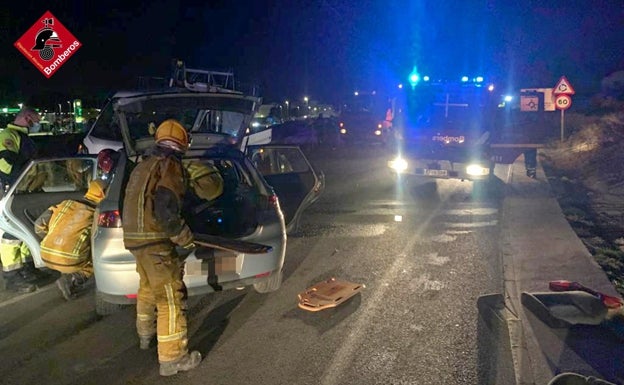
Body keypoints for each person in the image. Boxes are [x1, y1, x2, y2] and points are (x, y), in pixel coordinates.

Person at [122, 119, 201, 376]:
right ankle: (173, 358)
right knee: (170, 299)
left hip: (135, 240)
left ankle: (145, 336)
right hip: (155, 241)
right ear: (182, 143)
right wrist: (182, 236)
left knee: (147, 288)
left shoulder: (143, 166)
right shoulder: (170, 165)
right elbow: (166, 206)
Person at [34, 179, 107, 300]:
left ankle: (63, 271)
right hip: (71, 261)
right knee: (98, 256)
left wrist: (53, 240)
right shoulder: (97, 213)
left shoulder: (65, 204)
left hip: (45, 254)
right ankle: (73, 279)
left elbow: (38, 225)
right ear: (104, 193)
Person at [0, 107, 46, 293]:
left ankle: (27, 267)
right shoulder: (8, 135)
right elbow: (5, 165)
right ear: (27, 118)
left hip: (25, 191)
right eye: (36, 120)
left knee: (26, 229)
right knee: (11, 234)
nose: (37, 124)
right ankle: (12, 275)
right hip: (13, 191)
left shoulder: (24, 138)